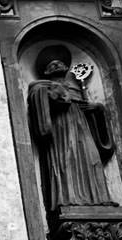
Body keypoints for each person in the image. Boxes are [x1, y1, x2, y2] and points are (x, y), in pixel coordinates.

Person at [27, 45, 116, 211]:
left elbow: (90, 109)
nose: (57, 66)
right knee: (66, 161)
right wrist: (54, 95)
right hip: (61, 132)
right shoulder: (42, 87)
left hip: (83, 130)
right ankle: (68, 199)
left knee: (92, 158)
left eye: (60, 63)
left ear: (67, 68)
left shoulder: (76, 89)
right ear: (46, 72)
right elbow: (39, 102)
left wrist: (96, 108)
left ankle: (98, 198)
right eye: (52, 65)